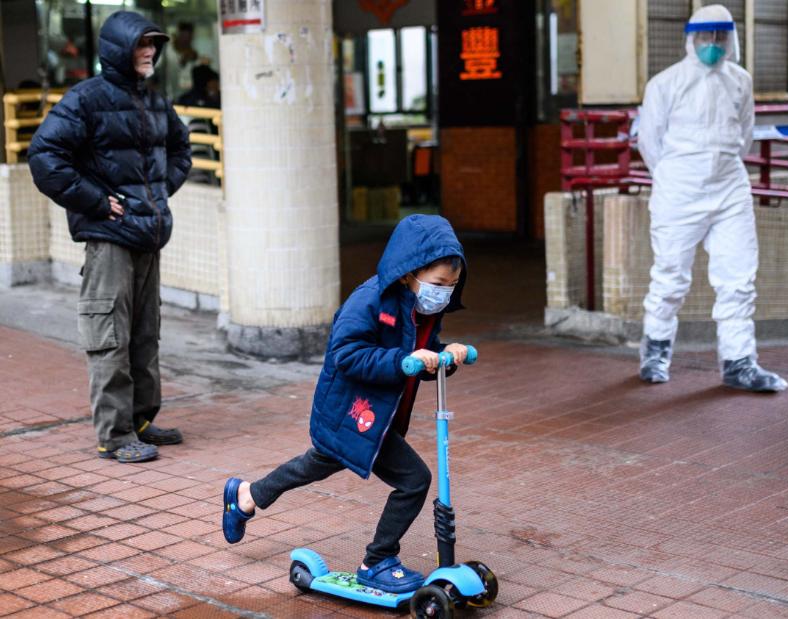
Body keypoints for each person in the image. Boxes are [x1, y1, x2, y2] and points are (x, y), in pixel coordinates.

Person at [221, 215, 472, 594]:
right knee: (413, 480)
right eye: (438, 284)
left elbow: (420, 355)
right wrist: (405, 361)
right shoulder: (370, 299)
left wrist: (443, 355)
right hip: (351, 412)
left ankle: (246, 496)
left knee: (315, 465)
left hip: (377, 417)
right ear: (409, 273)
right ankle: (376, 560)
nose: (443, 294)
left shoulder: (426, 309)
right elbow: (347, 355)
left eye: (451, 287)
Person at [27, 11, 192, 462]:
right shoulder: (86, 99)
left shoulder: (154, 101)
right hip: (109, 239)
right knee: (110, 337)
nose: (150, 52)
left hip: (147, 235)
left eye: (154, 45)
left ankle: (140, 420)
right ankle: (115, 436)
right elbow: (44, 157)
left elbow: (181, 149)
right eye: (142, 44)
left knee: (144, 334)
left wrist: (156, 194)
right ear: (119, 50)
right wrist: (99, 202)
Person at [636, 4, 787, 392]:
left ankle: (739, 363)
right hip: (678, 192)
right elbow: (649, 142)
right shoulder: (665, 84)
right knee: (670, 277)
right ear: (692, 38)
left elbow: (746, 135)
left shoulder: (740, 81)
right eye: (707, 36)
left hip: (730, 188)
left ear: (731, 39)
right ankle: (656, 352)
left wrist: (715, 168)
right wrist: (674, 177)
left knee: (738, 280)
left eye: (721, 37)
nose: (714, 44)